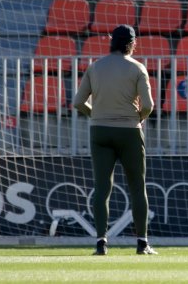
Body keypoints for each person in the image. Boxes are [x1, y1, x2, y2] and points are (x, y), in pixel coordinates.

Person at [73, 24, 156, 256]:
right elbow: (149, 105)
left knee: (102, 189)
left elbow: (78, 102)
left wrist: (96, 114)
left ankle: (101, 243)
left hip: (100, 130)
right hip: (129, 130)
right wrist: (136, 119)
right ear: (132, 43)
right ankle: (142, 243)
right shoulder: (137, 68)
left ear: (112, 41)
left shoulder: (95, 67)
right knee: (138, 187)